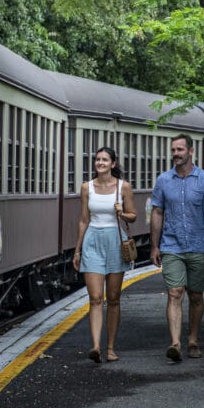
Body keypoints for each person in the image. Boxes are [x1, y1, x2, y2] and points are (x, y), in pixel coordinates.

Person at [150, 133, 204, 362]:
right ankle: (175, 343)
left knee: (196, 295)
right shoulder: (163, 180)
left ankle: (193, 339)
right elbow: (157, 212)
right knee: (175, 292)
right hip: (171, 245)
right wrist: (155, 246)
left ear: (191, 151)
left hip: (198, 244)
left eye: (180, 150)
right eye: (173, 150)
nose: (175, 154)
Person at [72, 146, 137, 363]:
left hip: (115, 241)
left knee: (114, 298)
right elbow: (84, 220)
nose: (100, 163)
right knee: (95, 298)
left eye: (105, 160)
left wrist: (121, 212)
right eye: (97, 159)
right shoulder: (86, 187)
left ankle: (110, 348)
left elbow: (133, 216)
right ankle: (96, 346)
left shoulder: (123, 187)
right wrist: (78, 249)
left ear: (113, 164)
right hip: (92, 241)